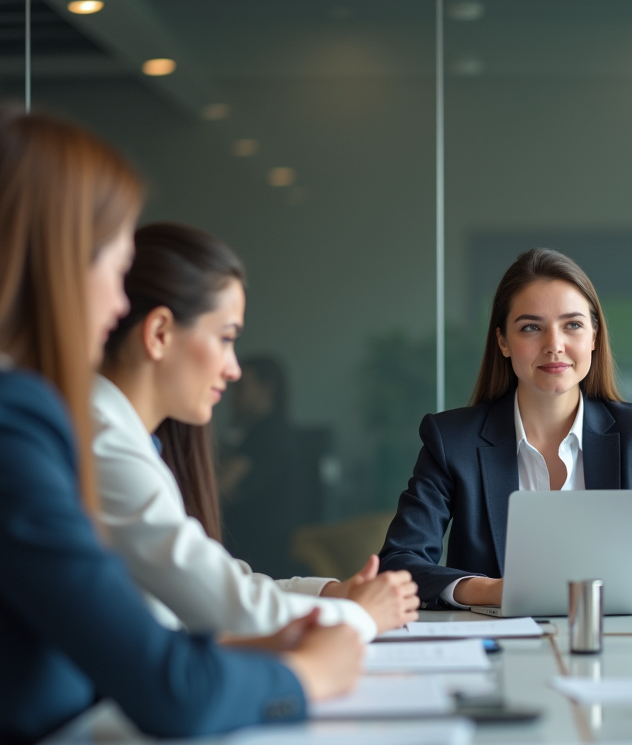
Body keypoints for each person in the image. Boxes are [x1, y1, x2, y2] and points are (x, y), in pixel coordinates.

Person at [0, 107, 360, 745]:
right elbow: (169, 689)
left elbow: (118, 645)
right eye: (116, 267)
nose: (118, 302)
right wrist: (311, 673)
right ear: (56, 260)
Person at [95, 222, 419, 640]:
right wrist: (359, 616)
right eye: (225, 338)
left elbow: (223, 584)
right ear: (159, 333)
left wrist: (332, 595)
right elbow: (228, 607)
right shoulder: (104, 444)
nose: (232, 370)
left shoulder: (126, 440)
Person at [377, 248, 632, 609]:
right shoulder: (452, 441)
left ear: (594, 336)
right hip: (494, 642)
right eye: (531, 327)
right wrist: (492, 591)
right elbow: (398, 566)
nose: (554, 345)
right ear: (503, 341)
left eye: (573, 325)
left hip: (617, 642)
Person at [220, 355, 304, 578]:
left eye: (241, 387)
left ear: (267, 389)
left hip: (258, 557)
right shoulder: (273, 431)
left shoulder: (267, 433)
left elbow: (223, 486)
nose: (233, 396)